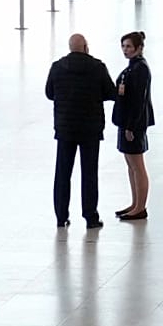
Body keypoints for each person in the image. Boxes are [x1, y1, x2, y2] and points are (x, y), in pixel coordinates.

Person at [45, 33, 117, 229]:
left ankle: (61, 216)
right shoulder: (97, 67)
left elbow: (49, 93)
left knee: (62, 173)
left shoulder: (58, 67)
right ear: (85, 46)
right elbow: (111, 93)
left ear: (70, 48)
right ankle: (90, 217)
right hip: (90, 129)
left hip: (65, 128)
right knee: (89, 173)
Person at [113, 31, 155, 221]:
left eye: (129, 46)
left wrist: (131, 126)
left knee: (137, 165)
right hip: (126, 121)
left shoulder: (140, 69)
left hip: (133, 123)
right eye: (123, 46)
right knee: (130, 164)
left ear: (139, 48)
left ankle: (140, 206)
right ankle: (135, 202)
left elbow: (138, 100)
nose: (125, 50)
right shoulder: (132, 68)